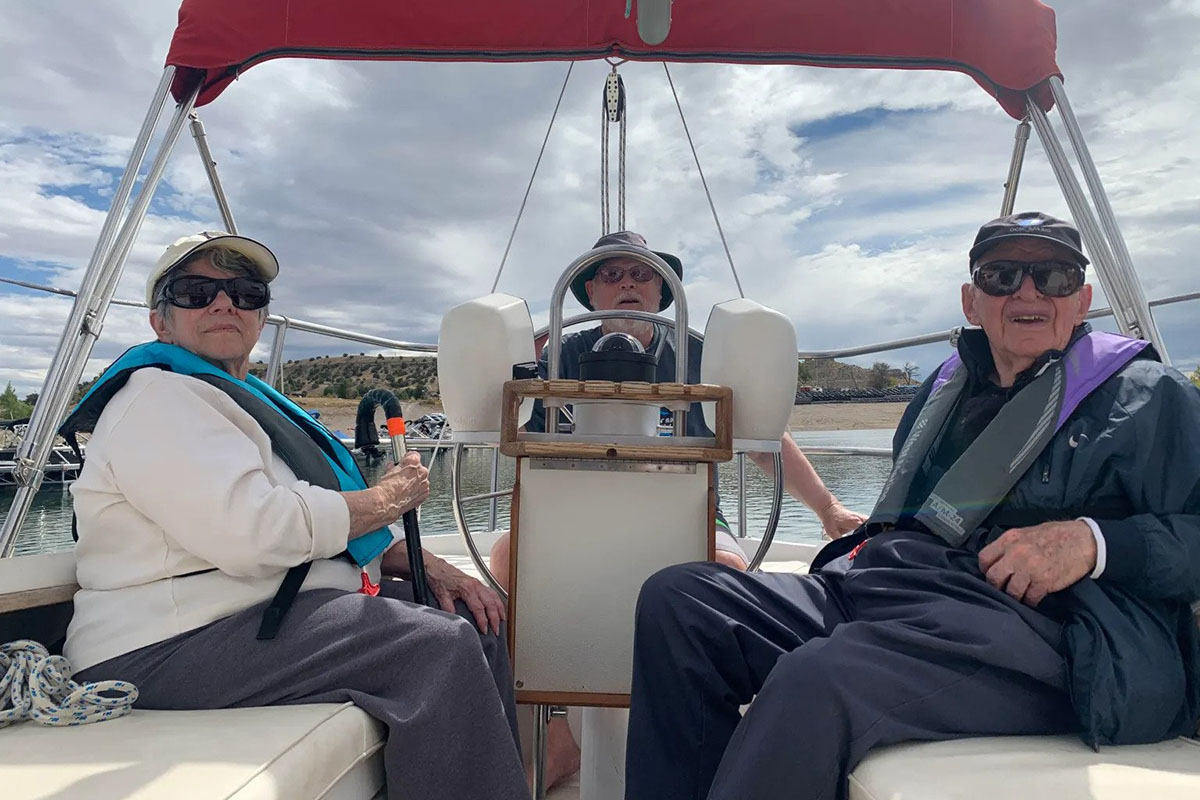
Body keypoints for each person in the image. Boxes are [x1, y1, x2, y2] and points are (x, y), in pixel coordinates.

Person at [624, 212, 1200, 800]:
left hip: (1042, 636)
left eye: (1052, 276)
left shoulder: (1148, 397)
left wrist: (1091, 542)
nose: (1027, 291)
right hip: (896, 592)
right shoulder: (943, 388)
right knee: (683, 602)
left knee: (820, 679)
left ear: (1082, 300)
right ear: (972, 301)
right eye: (1002, 276)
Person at [61, 231, 530, 800]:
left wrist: (433, 566)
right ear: (161, 323)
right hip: (163, 644)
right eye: (195, 291)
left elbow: (323, 525)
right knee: (436, 648)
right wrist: (389, 499)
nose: (223, 302)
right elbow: (256, 533)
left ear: (260, 317)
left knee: (476, 621)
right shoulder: (157, 400)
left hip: (262, 617)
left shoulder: (233, 401)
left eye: (244, 291)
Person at [489, 229, 866, 789]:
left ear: (663, 289)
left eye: (640, 274)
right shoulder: (555, 355)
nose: (626, 285)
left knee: (726, 575)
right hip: (572, 515)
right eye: (611, 274)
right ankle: (558, 732)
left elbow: (763, 440)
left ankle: (708, 746)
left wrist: (829, 510)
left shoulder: (702, 356)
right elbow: (512, 434)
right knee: (504, 563)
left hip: (688, 512)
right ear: (589, 290)